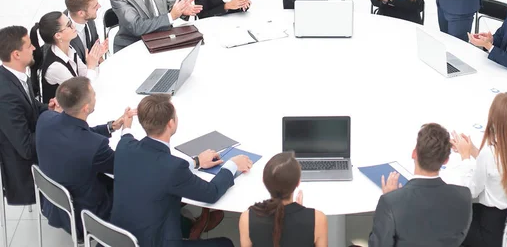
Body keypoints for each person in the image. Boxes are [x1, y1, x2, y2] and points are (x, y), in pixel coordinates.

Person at [111, 94, 253, 247]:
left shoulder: (124, 147)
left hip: (119, 237)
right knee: (225, 244)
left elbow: (127, 136)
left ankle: (194, 225)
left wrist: (196, 161)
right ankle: (195, 226)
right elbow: (211, 193)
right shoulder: (173, 168)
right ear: (171, 123)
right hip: (155, 242)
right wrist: (232, 165)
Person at [36, 77, 136, 240]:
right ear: (86, 108)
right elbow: (124, 166)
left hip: (53, 204)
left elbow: (77, 133)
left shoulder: (45, 119)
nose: (96, 96)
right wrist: (127, 131)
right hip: (85, 215)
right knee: (135, 184)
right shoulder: (95, 147)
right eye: (94, 94)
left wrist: (110, 127)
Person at [452, 93, 507, 247]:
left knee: (450, 216)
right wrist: (471, 149)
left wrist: (465, 157)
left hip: (493, 234)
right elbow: (500, 166)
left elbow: (471, 191)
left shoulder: (490, 154)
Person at [368, 123, 472, 247]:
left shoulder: (390, 202)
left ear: (414, 153)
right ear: (446, 160)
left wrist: (392, 198)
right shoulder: (464, 196)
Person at [0, 26, 58, 205]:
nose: (34, 48)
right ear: (16, 54)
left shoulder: (15, 76)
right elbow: (25, 147)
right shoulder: (6, 95)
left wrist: (47, 109)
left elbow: (30, 107)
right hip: (25, 170)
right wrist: (52, 126)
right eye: (29, 45)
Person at [239, 152, 328, 247]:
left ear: (264, 181)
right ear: (298, 183)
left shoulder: (247, 218)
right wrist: (302, 212)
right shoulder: (318, 219)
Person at [30, 11, 105, 103]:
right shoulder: (55, 66)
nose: (73, 26)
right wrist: (91, 65)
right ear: (58, 35)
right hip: (64, 111)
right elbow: (82, 92)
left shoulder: (68, 48)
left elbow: (83, 74)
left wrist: (94, 59)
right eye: (69, 25)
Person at [64, 0, 106, 64]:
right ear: (81, 13)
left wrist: (102, 62)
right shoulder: (64, 36)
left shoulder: (88, 17)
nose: (99, 6)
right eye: (95, 6)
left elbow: (95, 44)